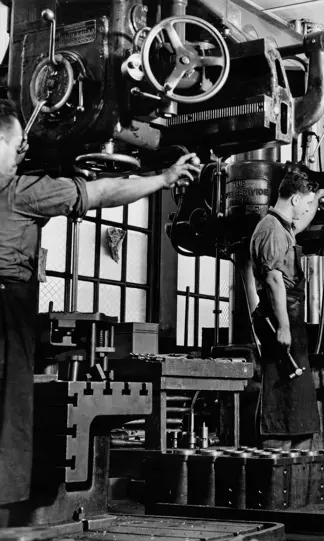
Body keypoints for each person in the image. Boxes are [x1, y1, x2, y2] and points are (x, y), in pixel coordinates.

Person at [0, 98, 201, 512]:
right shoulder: (20, 192)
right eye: (18, 143)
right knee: (8, 413)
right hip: (7, 311)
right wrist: (163, 178)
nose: (24, 151)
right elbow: (105, 189)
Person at [249, 165, 324, 450]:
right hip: (281, 317)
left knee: (299, 404)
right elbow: (274, 281)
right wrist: (284, 328)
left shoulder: (281, 226)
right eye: (305, 201)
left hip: (289, 314)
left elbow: (299, 223)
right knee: (284, 398)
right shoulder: (271, 230)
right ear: (293, 199)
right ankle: (276, 463)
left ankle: (296, 467)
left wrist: (319, 196)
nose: (306, 209)